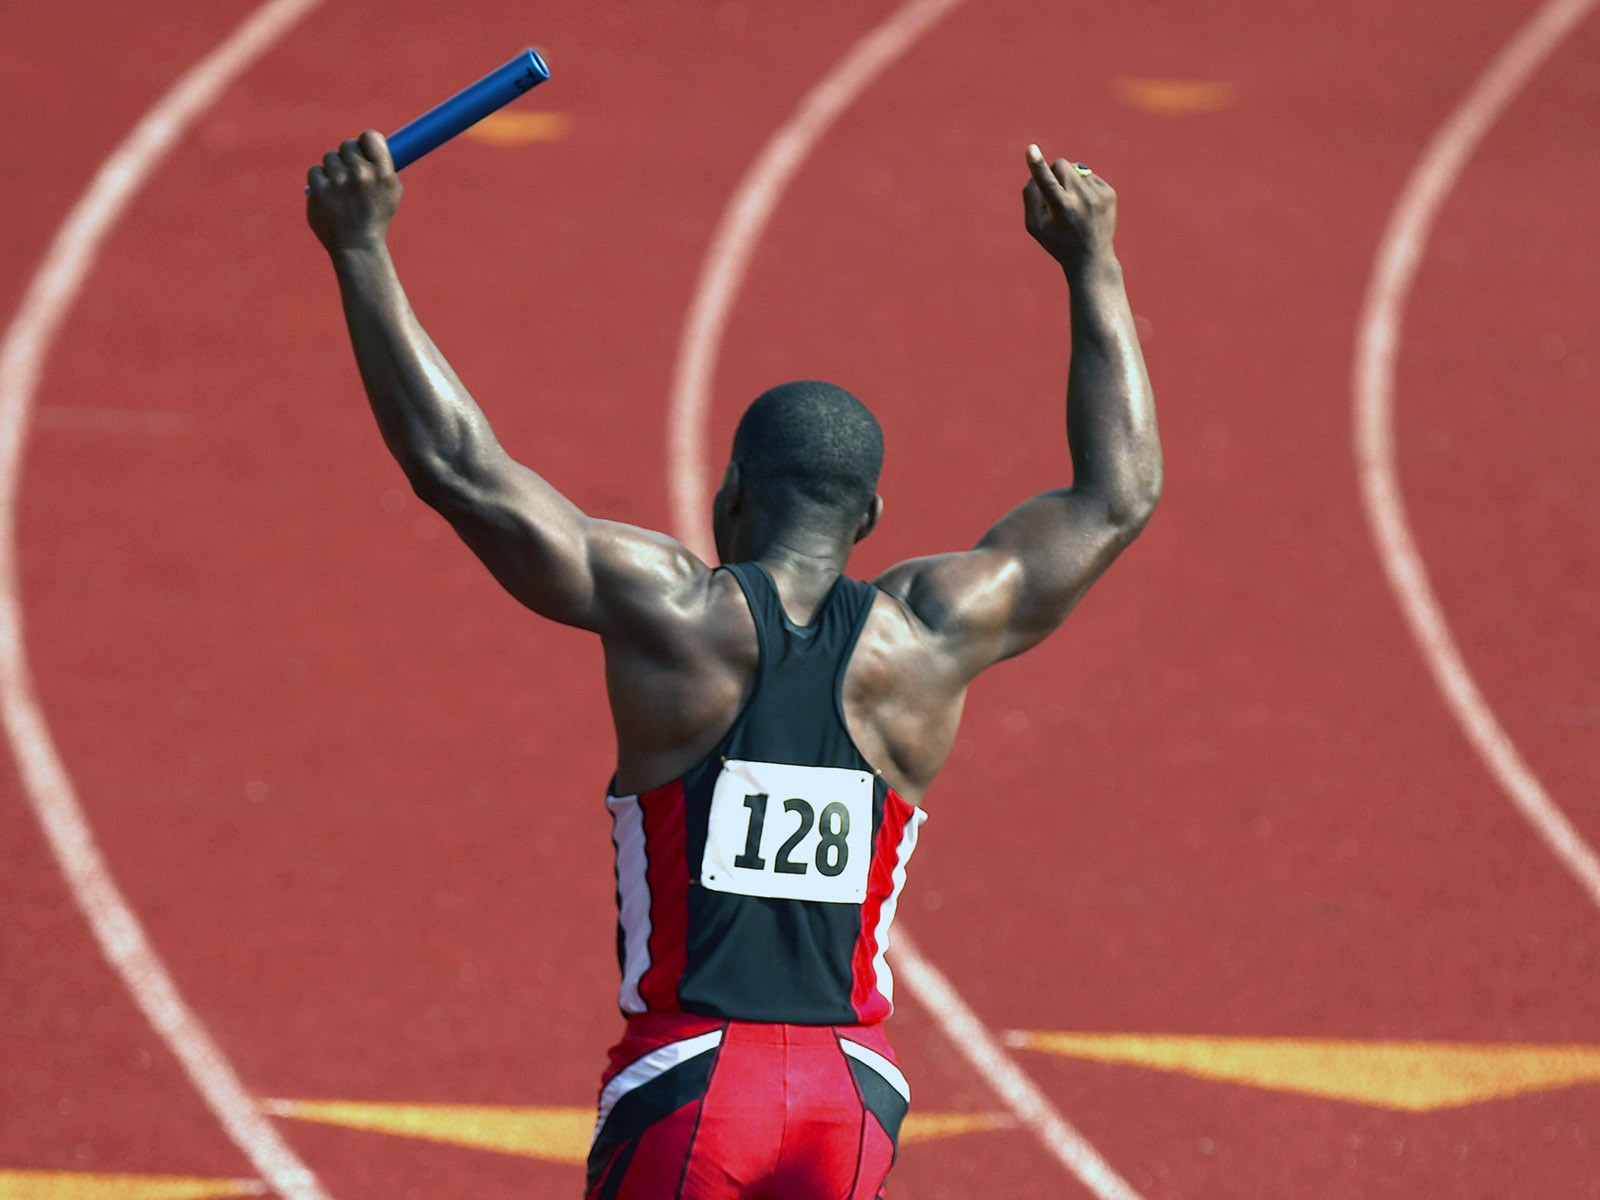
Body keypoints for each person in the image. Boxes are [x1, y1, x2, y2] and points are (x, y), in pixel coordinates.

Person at [307, 130, 1161, 1200]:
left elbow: (459, 468)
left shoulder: (677, 612)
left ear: (730, 498)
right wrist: (1094, 262)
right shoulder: (934, 635)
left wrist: (359, 249)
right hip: (854, 1090)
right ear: (872, 517)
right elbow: (1113, 497)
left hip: (691, 1078)